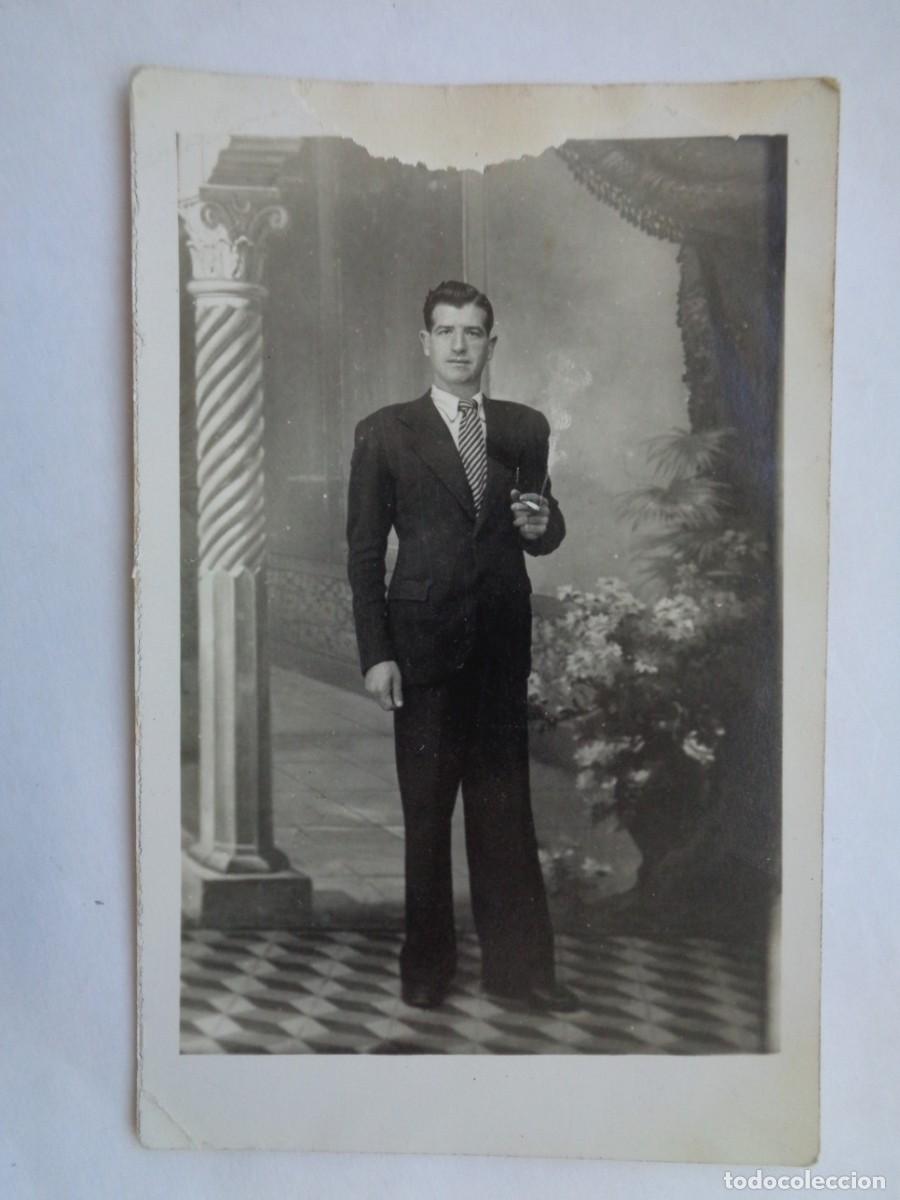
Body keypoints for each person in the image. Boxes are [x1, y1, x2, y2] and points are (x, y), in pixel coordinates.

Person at [346, 280, 579, 1013]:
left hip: (501, 645)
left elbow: (540, 527)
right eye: (445, 331)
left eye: (472, 332)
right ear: (425, 342)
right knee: (426, 813)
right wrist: (376, 652)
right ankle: (426, 966)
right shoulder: (386, 431)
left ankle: (520, 972)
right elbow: (361, 552)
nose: (458, 345)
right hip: (421, 646)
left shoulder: (523, 427)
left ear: (491, 343)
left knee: (505, 810)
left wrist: (548, 526)